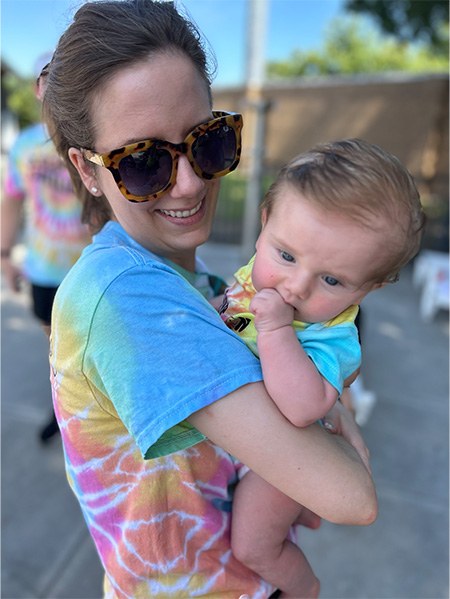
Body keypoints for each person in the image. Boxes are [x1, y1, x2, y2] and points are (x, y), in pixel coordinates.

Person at [42, 1, 378, 597]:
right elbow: (348, 496)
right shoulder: (125, 298)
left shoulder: (204, 287)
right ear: (89, 171)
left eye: (207, 142)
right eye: (143, 162)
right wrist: (335, 420)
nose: (192, 183)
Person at [217, 138, 425, 597]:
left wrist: (275, 332)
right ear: (265, 224)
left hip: (282, 458)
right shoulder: (260, 272)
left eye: (332, 280)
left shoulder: (332, 337)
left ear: (369, 287)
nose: (295, 286)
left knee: (253, 544)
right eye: (286, 256)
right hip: (238, 435)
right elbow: (232, 305)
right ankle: (300, 509)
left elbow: (304, 407)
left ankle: (303, 586)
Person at [1, 54, 90, 442]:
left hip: (92, 269)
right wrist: (4, 255)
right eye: (48, 77)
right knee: (57, 352)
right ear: (39, 89)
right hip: (44, 271)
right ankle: (65, 412)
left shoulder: (95, 138)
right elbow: (10, 200)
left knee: (98, 347)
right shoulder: (24, 145)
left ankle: (93, 415)